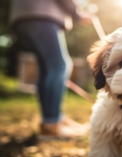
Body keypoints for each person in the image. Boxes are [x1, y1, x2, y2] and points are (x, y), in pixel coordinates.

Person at [9, 0, 92, 138]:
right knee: (59, 65)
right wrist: (76, 14)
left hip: (22, 15)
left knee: (46, 67)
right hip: (42, 13)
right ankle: (51, 124)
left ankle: (53, 119)